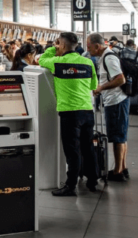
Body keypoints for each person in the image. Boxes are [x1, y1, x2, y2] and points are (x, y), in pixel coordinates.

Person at [38, 32, 100, 196]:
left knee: (72, 150)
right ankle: (93, 180)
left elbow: (41, 60)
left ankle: (70, 186)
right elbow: (94, 85)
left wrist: (52, 48)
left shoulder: (57, 62)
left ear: (62, 45)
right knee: (88, 147)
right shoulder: (88, 62)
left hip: (69, 113)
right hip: (87, 111)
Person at [87, 34, 130, 182]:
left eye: (89, 46)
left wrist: (101, 88)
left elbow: (120, 79)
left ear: (97, 46)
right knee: (121, 136)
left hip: (116, 101)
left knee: (118, 137)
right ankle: (122, 168)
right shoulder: (106, 56)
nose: (88, 49)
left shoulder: (108, 57)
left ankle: (117, 172)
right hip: (118, 101)